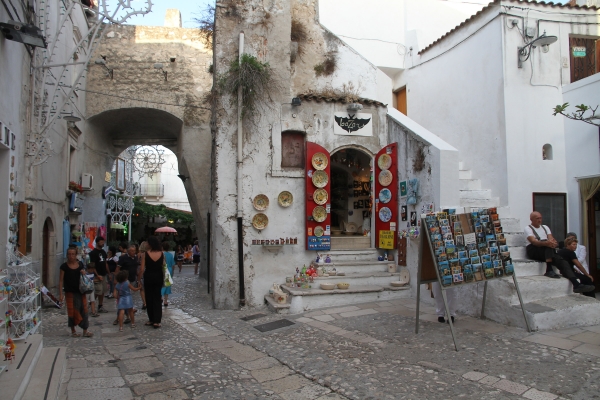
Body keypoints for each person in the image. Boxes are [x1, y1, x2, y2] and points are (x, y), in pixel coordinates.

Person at [525, 211, 594, 293]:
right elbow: (534, 242)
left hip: (547, 250)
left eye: (540, 218)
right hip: (534, 250)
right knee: (548, 246)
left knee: (562, 261)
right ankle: (549, 269)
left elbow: (551, 239)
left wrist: (552, 243)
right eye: (537, 218)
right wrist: (547, 243)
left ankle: (576, 284)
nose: (539, 220)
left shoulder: (545, 227)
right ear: (531, 219)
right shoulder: (528, 228)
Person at [58, 247, 93, 337]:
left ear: (76, 255)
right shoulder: (64, 267)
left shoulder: (80, 264)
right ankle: (73, 330)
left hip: (80, 291)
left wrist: (83, 272)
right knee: (72, 311)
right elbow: (61, 281)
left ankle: (85, 330)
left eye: (73, 254)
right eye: (69, 254)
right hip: (70, 292)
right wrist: (61, 294)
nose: (71, 256)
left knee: (84, 310)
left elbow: (84, 275)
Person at [140, 236, 164, 328]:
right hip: (159, 276)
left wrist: (139, 278)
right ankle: (157, 320)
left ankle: (151, 319)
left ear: (150, 244)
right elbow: (163, 266)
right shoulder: (162, 253)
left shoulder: (145, 254)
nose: (146, 244)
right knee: (157, 298)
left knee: (149, 298)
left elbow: (142, 269)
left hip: (149, 276)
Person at [115, 245, 139, 325]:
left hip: (132, 279)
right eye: (132, 251)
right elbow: (118, 268)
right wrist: (116, 278)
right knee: (123, 298)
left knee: (129, 298)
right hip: (124, 280)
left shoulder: (135, 258)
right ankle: (122, 316)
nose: (133, 252)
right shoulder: (123, 258)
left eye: (134, 251)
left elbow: (136, 268)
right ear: (128, 251)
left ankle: (128, 314)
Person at [88, 236, 109, 313]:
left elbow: (105, 263)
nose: (102, 243)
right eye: (101, 242)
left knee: (102, 291)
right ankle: (91, 303)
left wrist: (108, 273)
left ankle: (100, 305)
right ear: (97, 242)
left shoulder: (103, 252)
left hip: (103, 273)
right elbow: (92, 265)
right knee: (98, 291)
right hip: (97, 274)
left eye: (103, 241)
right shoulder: (93, 253)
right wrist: (97, 275)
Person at [161, 242, 175, 307]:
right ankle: (166, 301)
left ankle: (161, 297)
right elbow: (173, 265)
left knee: (162, 284)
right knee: (168, 285)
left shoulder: (161, 254)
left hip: (163, 269)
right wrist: (173, 273)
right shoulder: (170, 255)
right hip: (169, 270)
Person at [138, 241, 149, 310]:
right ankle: (147, 301)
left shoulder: (139, 254)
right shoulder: (148, 254)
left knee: (141, 288)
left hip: (140, 271)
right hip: (147, 271)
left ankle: (144, 302)